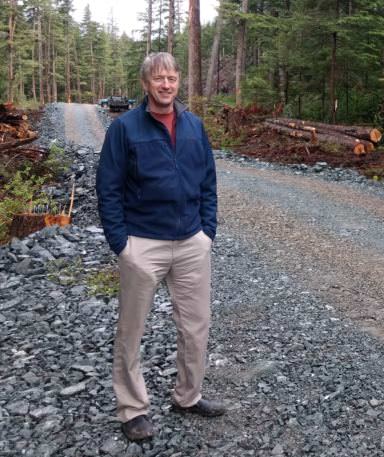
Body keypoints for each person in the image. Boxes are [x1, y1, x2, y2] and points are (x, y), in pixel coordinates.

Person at [96, 52, 225, 442]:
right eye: (158, 79)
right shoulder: (125, 128)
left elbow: (208, 182)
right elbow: (108, 188)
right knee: (131, 331)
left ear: (178, 81)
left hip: (191, 243)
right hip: (143, 244)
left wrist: (207, 232)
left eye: (171, 78)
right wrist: (122, 244)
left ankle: (188, 396)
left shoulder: (193, 126)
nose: (166, 84)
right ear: (146, 84)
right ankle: (133, 410)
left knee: (195, 326)